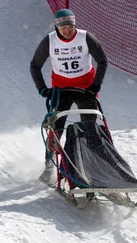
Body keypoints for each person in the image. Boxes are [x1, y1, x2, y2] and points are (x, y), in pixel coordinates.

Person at [30, 8, 108, 183]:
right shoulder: (49, 41)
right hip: (61, 91)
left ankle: (91, 167)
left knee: (89, 128)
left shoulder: (85, 37)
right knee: (55, 130)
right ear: (57, 27)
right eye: (62, 27)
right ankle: (49, 167)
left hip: (85, 90)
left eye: (69, 26)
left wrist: (96, 85)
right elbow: (35, 65)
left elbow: (102, 60)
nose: (66, 30)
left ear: (74, 25)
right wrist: (42, 89)